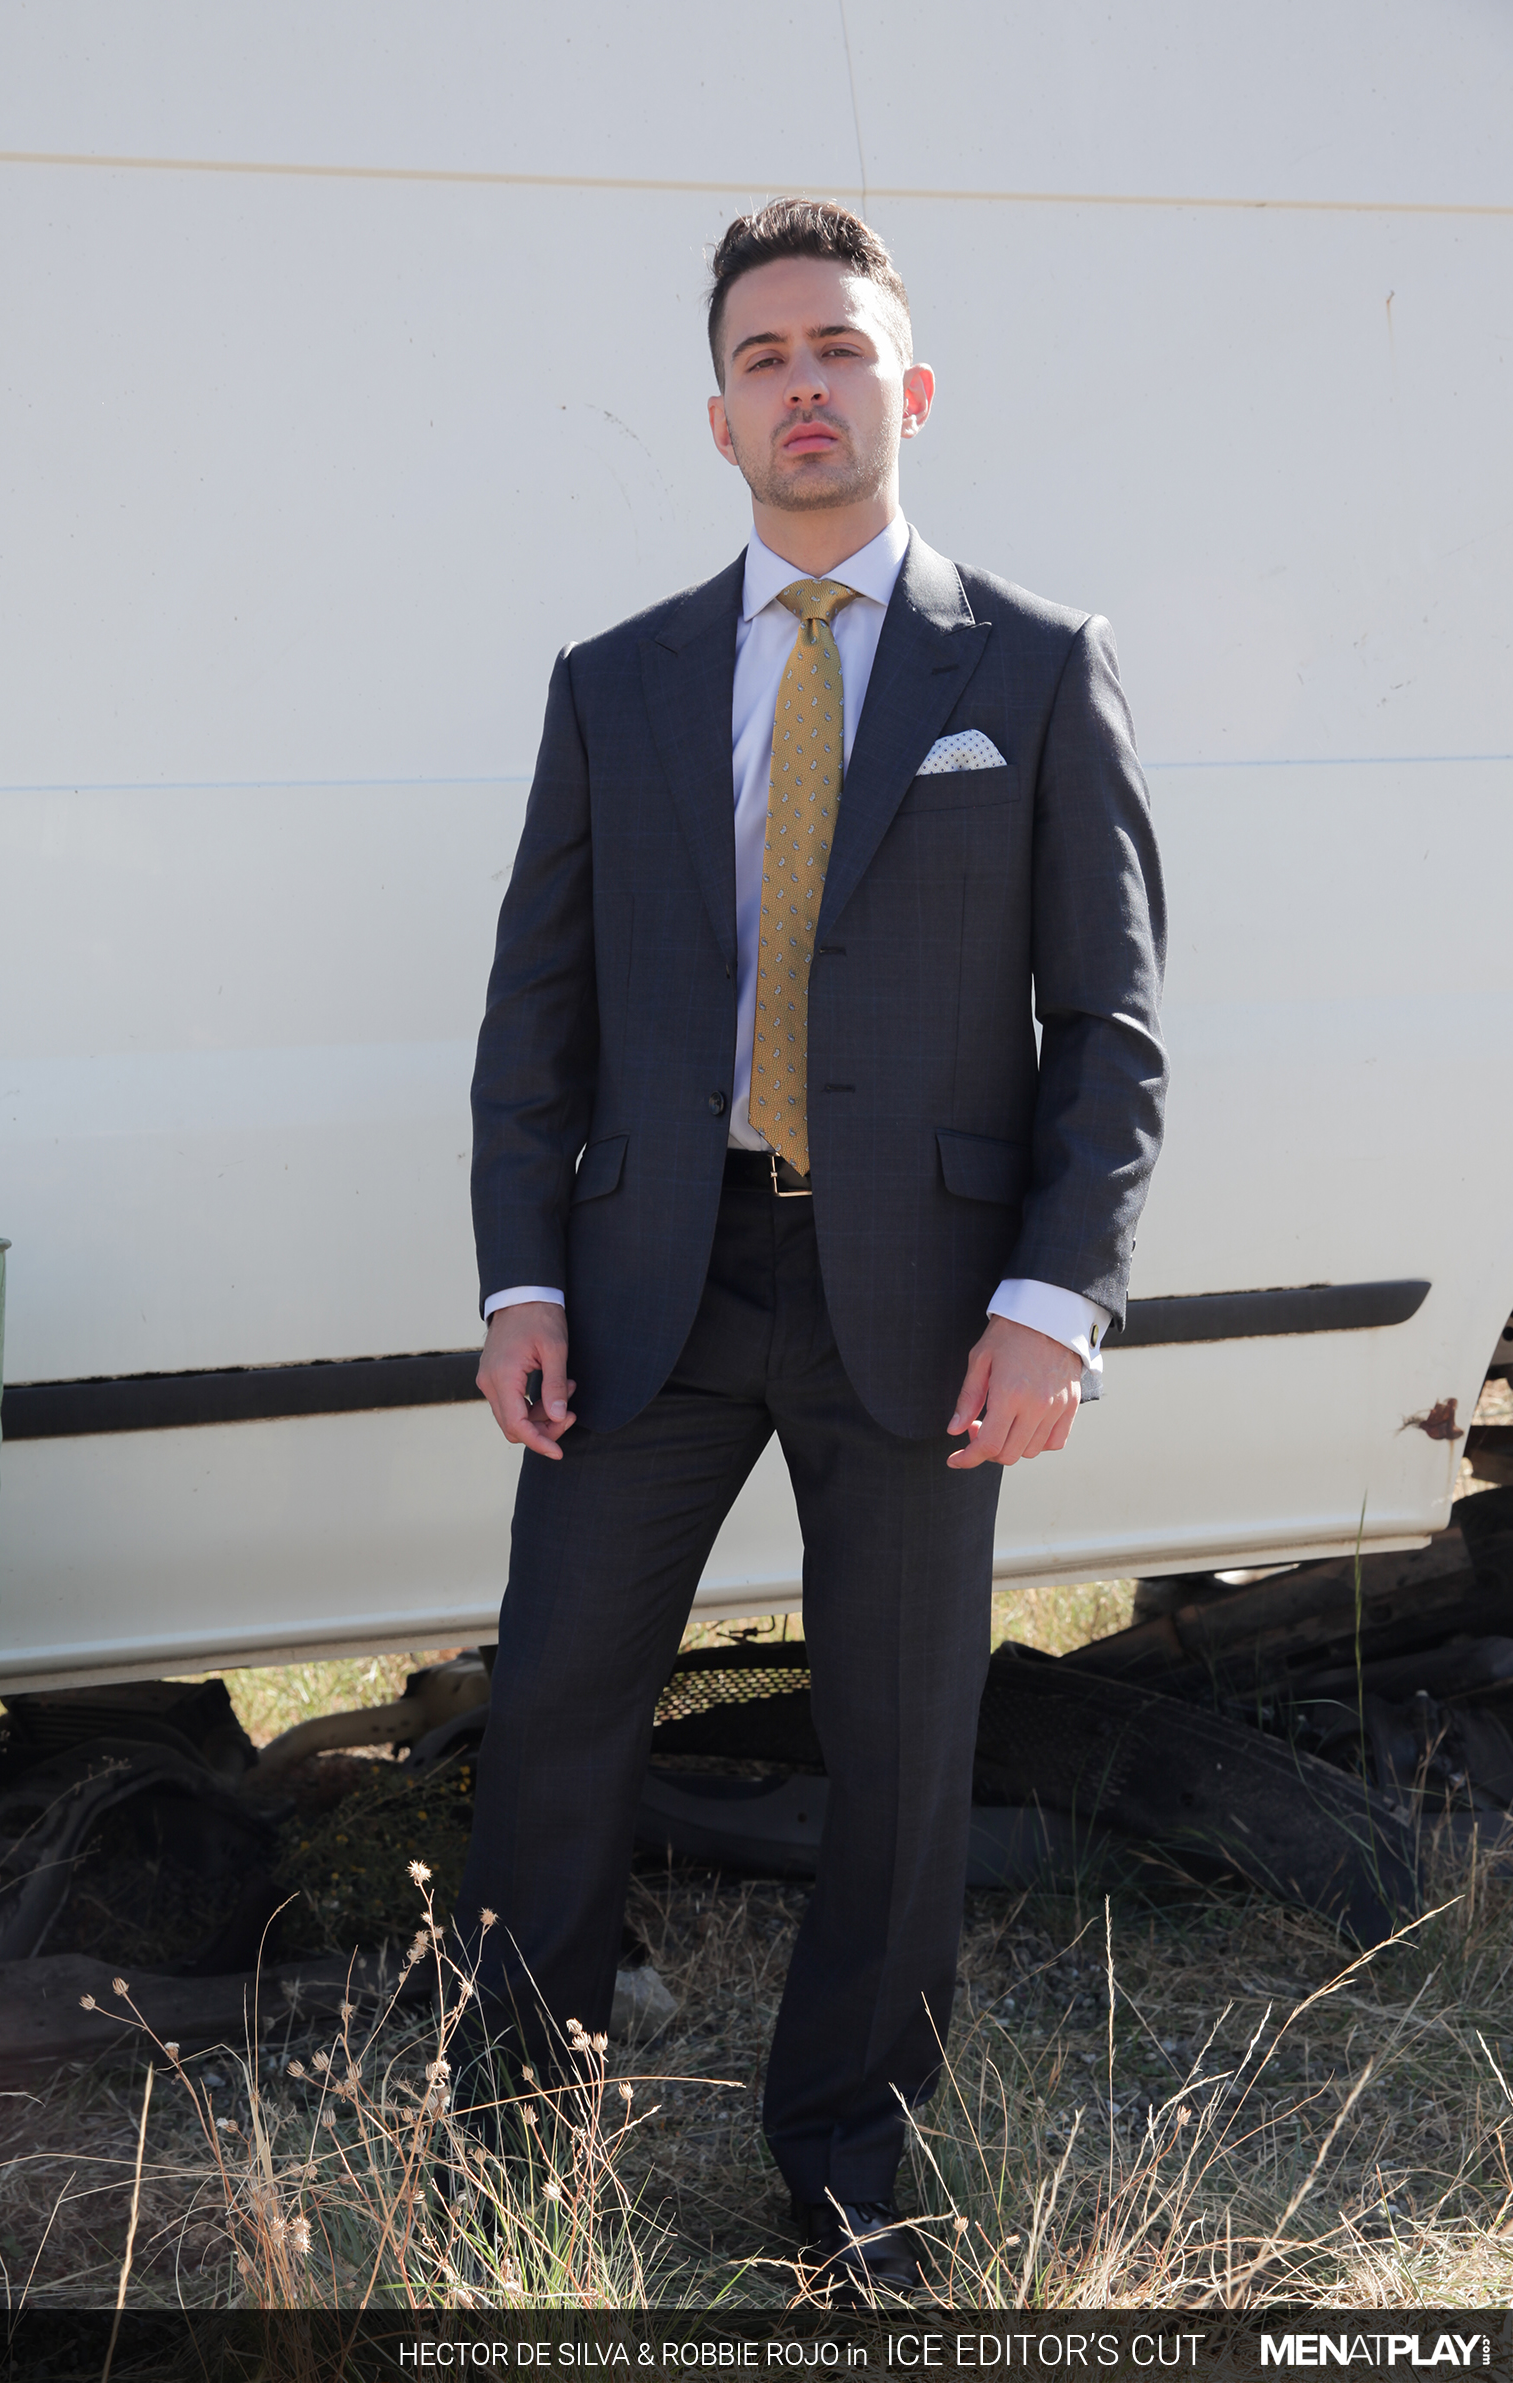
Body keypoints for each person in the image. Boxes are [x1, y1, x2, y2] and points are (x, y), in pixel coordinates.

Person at [457, 199, 1167, 2297]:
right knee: (554, 1710)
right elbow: (536, 1014)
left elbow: (1109, 1024)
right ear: (716, 416)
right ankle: (507, 2142)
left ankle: (853, 2164)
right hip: (648, 1295)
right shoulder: (618, 682)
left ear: (908, 389)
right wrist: (519, 1280)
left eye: (839, 348)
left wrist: (1055, 1300)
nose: (804, 386)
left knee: (901, 1745)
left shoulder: (1030, 664)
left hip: (928, 1311)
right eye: (764, 356)